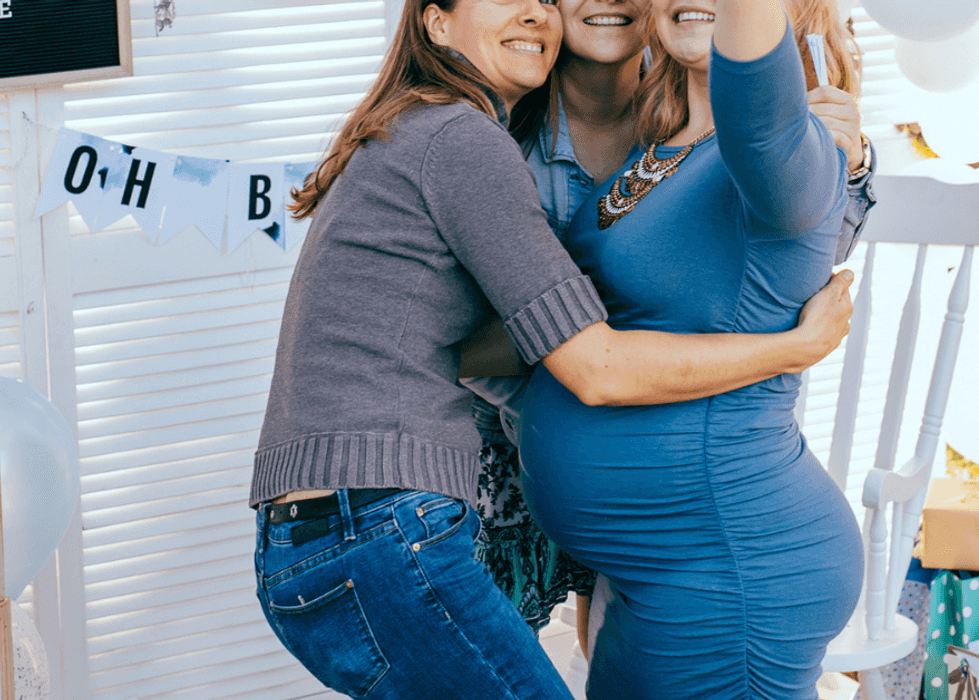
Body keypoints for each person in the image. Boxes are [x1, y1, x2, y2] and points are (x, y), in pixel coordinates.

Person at [253, 0, 855, 697]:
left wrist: (851, 167)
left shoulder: (764, 148)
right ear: (435, 22)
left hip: (715, 556)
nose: (535, 14)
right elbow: (590, 364)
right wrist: (793, 348)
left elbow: (761, 115)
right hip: (378, 523)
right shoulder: (466, 137)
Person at [469, 0, 875, 648]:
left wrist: (849, 168)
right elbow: (478, 341)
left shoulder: (735, 113)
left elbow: (787, 245)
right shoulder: (509, 135)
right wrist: (791, 348)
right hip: (534, 466)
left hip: (694, 518)